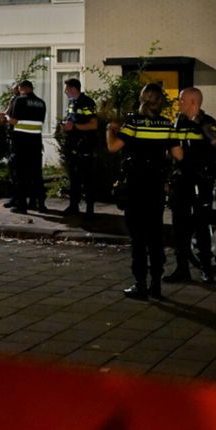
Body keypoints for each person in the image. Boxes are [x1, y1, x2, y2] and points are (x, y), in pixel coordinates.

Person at [106, 83, 173, 300]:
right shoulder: (166, 124)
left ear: (142, 99)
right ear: (160, 101)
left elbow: (113, 147)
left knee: (138, 238)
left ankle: (140, 284)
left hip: (135, 188)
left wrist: (110, 130)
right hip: (155, 188)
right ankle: (156, 284)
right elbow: (177, 154)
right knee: (155, 236)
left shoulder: (133, 122)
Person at [165, 87, 216, 284]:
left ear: (193, 103)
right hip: (181, 182)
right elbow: (172, 151)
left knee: (201, 226)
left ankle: (206, 269)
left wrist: (189, 154)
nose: (178, 104)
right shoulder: (178, 122)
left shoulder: (207, 123)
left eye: (181, 101)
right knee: (179, 227)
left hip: (200, 182)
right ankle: (182, 269)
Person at [3, 80, 47, 214]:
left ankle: (22, 206)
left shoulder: (20, 101)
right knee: (36, 175)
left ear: (22, 88)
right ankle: (41, 205)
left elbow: (15, 120)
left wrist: (6, 118)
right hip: (36, 142)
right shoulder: (41, 102)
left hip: (21, 142)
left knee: (20, 175)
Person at [60, 77, 99, 217]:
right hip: (73, 145)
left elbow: (93, 124)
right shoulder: (72, 102)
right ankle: (73, 206)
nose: (65, 92)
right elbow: (72, 119)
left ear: (73, 89)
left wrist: (75, 127)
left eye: (67, 89)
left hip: (85, 146)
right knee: (74, 179)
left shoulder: (87, 102)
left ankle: (89, 209)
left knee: (87, 179)